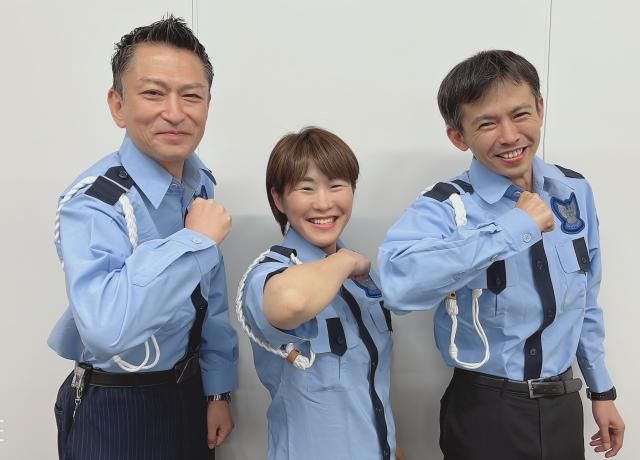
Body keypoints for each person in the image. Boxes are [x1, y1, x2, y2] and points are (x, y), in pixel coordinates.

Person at [378, 50, 624, 459]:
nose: (509, 136)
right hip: (486, 412)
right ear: (458, 136)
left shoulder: (574, 191)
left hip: (564, 405)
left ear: (540, 108)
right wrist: (512, 229)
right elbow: (398, 286)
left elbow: (585, 302)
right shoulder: (447, 206)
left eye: (520, 114)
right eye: (487, 123)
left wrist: (602, 391)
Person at [48, 16, 238, 460]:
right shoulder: (94, 203)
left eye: (191, 95)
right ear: (118, 105)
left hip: (188, 394)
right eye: (153, 93)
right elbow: (106, 328)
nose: (175, 112)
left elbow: (209, 297)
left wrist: (216, 390)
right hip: (117, 406)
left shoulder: (198, 183)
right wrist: (193, 242)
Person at [236, 127, 401, 460]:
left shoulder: (360, 280)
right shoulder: (268, 275)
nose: (324, 203)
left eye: (336, 185)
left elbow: (367, 389)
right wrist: (345, 260)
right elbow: (292, 302)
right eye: (306, 188)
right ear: (279, 199)